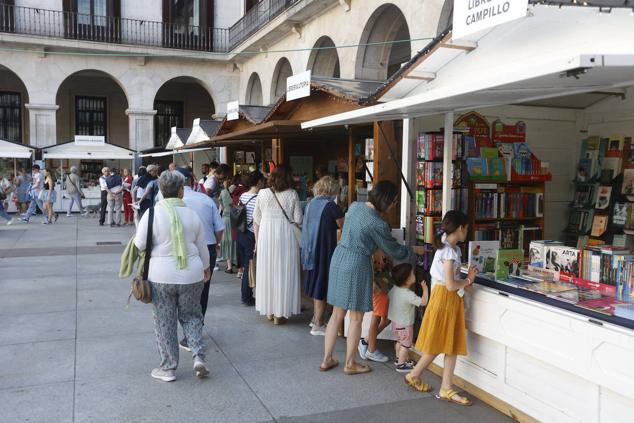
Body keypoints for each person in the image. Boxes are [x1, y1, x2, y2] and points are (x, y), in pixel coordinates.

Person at [320, 180, 419, 375]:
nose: (393, 206)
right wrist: (413, 250)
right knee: (356, 318)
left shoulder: (355, 206)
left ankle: (327, 359)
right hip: (356, 263)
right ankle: (350, 364)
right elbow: (394, 250)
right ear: (387, 200)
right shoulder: (378, 223)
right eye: (393, 202)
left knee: (337, 314)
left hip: (339, 258)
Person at [134, 170, 211, 383]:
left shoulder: (151, 214)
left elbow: (139, 244)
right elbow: (202, 246)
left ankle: (168, 368)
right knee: (192, 316)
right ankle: (197, 355)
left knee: (164, 322)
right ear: (180, 191)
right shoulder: (191, 214)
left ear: (160, 190)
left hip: (161, 276)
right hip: (192, 275)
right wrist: (206, 267)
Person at [405, 210, 478, 406]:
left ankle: (443, 385)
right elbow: (450, 285)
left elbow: (452, 282)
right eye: (467, 228)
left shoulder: (449, 247)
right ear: (461, 228)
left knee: (448, 344)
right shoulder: (449, 251)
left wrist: (465, 281)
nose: (467, 232)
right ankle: (417, 375)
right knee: (442, 343)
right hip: (445, 299)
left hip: (446, 299)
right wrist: (469, 279)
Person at [175, 167, 224, 351]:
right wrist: (216, 245)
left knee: (182, 291)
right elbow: (219, 228)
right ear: (191, 180)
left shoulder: (166, 203)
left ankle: (188, 331)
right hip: (207, 249)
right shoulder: (205, 199)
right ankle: (196, 329)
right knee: (203, 291)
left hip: (180, 250)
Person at [253, 165, 303, 325]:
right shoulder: (293, 194)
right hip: (286, 235)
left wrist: (257, 240)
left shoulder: (262, 193)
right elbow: (298, 219)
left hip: (266, 236)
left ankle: (269, 310)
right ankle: (280, 314)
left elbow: (257, 218)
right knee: (283, 271)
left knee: (268, 271)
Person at [301, 176, 344, 336]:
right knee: (322, 284)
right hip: (325, 249)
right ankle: (318, 324)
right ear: (331, 189)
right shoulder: (331, 206)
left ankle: (315, 318)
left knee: (316, 283)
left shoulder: (311, 204)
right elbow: (344, 227)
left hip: (310, 250)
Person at [388, 263, 428, 373]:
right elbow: (423, 302)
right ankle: (401, 365)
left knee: (399, 342)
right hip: (405, 325)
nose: (414, 274)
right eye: (412, 274)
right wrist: (425, 289)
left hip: (395, 323)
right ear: (406, 280)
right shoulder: (408, 295)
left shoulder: (394, 289)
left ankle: (398, 359)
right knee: (406, 345)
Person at [236, 171, 264, 306]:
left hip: (240, 233)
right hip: (251, 235)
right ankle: (246, 297)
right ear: (259, 182)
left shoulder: (243, 195)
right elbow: (257, 220)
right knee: (249, 267)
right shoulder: (258, 198)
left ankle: (246, 295)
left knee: (246, 266)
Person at [219, 178, 237, 273]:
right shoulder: (238, 192)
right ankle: (238, 265)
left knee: (227, 241)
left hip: (225, 218)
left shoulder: (223, 192)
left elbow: (221, 204)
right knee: (235, 240)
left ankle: (229, 266)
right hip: (235, 219)